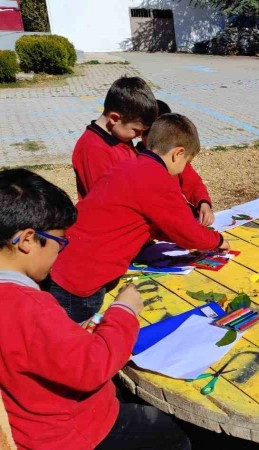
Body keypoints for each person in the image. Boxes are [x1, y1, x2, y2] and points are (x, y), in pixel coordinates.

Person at [0, 168, 190, 450]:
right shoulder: (30, 306)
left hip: (27, 425)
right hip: (73, 432)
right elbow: (91, 368)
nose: (59, 252)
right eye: (59, 242)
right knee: (169, 435)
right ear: (28, 240)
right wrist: (124, 310)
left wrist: (72, 333)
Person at [48, 114, 229, 323]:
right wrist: (217, 240)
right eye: (187, 161)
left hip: (63, 262)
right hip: (81, 282)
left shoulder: (129, 165)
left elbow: (154, 223)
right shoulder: (158, 180)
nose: (184, 168)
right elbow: (187, 232)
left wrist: (175, 235)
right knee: (73, 336)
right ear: (178, 153)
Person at [72, 77, 215, 226]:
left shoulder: (121, 139)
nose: (139, 136)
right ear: (114, 118)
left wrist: (202, 202)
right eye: (137, 131)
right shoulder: (93, 149)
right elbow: (109, 204)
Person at [138, 99, 215, 225]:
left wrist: (203, 203)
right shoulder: (135, 160)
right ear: (142, 132)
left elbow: (193, 183)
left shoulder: (176, 158)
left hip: (177, 216)